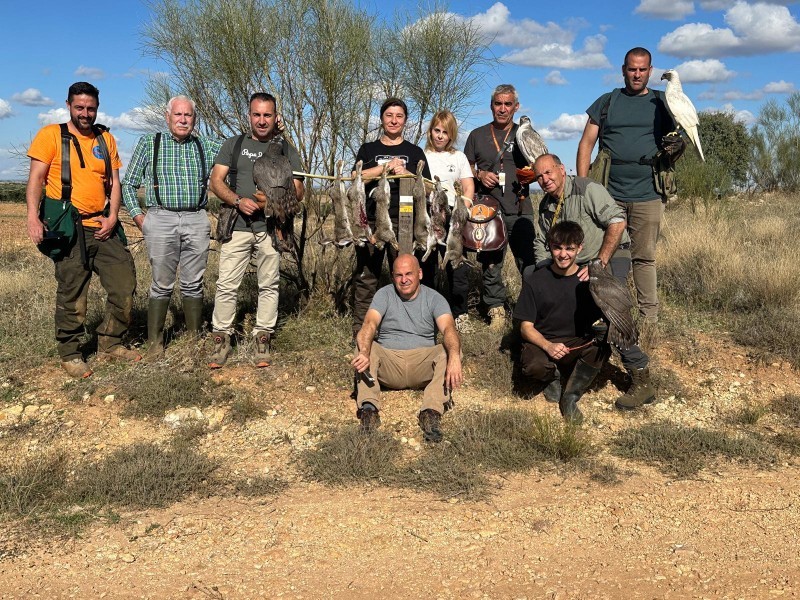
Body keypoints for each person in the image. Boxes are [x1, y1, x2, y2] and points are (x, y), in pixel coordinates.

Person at [25, 82, 140, 378]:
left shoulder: (105, 139)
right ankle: (71, 352)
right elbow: (36, 180)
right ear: (68, 105)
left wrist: (113, 216)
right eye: (80, 107)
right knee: (73, 291)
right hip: (69, 227)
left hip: (103, 223)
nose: (85, 113)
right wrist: (33, 218)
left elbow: (115, 184)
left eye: (90, 108)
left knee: (124, 285)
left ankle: (111, 342)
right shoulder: (51, 135)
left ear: (97, 108)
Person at [532, 153, 655, 410]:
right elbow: (543, 245)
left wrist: (599, 262)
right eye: (539, 176)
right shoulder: (546, 206)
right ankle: (563, 364)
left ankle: (640, 375)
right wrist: (542, 275)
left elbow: (618, 222)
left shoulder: (588, 189)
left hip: (608, 255)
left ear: (561, 170)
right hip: (575, 264)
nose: (544, 179)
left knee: (609, 313)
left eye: (548, 173)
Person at [577, 47, 680, 330]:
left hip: (648, 192)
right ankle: (612, 313)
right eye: (632, 69)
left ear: (650, 71)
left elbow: (675, 144)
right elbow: (586, 143)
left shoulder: (662, 102)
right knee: (607, 256)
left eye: (642, 69)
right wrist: (583, 186)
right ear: (623, 70)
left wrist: (676, 149)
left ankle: (649, 319)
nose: (637, 74)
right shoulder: (607, 101)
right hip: (609, 194)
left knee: (644, 257)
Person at [207, 92, 304, 368]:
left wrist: (272, 200)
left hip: (271, 227)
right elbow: (216, 181)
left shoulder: (286, 149)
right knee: (226, 284)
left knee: (269, 284)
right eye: (257, 114)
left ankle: (263, 337)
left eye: (267, 115)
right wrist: (238, 200)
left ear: (276, 117)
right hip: (237, 225)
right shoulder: (234, 145)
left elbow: (299, 191)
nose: (262, 121)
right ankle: (221, 338)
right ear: (249, 115)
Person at [122, 95, 221, 360]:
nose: (183, 120)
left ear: (195, 119)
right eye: (178, 115)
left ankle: (193, 340)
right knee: (161, 283)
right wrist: (139, 217)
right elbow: (128, 184)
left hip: (196, 219)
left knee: (193, 282)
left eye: (188, 115)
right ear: (168, 117)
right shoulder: (149, 143)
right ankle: (155, 342)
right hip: (160, 218)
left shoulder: (207, 145)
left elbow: (237, 152)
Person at [351, 254, 463, 442]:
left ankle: (431, 412)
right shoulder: (384, 294)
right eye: (398, 275)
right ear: (393, 276)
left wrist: (454, 358)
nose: (404, 280)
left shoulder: (435, 298)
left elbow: (449, 329)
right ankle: (369, 409)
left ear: (419, 273)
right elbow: (369, 323)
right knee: (363, 344)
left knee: (452, 349)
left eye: (409, 274)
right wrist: (364, 352)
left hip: (422, 364)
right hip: (390, 362)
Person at [351, 98, 432, 336]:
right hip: (372, 221)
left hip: (405, 222)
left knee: (405, 276)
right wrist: (382, 169)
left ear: (405, 121)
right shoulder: (369, 149)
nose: (394, 120)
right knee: (367, 276)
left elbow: (428, 188)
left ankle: (406, 329)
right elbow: (356, 177)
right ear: (382, 119)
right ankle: (363, 331)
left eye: (399, 116)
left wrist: (407, 173)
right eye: (389, 115)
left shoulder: (414, 152)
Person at [514, 221, 610, 423]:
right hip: (544, 342)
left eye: (569, 248)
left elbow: (604, 318)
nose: (563, 254)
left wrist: (603, 328)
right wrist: (548, 346)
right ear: (550, 246)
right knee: (533, 365)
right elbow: (525, 327)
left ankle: (571, 396)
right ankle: (552, 377)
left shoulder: (589, 280)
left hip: (577, 343)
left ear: (580, 248)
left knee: (602, 347)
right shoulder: (535, 279)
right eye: (557, 248)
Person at [464, 84, 535, 330]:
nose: (502, 109)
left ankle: (529, 311)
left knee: (529, 263)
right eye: (498, 104)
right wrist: (481, 174)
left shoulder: (525, 134)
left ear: (516, 107)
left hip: (520, 206)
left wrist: (530, 175)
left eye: (507, 104)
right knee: (491, 263)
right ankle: (496, 310)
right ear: (491, 105)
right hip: (488, 209)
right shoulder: (477, 135)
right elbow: (466, 169)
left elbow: (540, 163)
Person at [423, 110, 475, 333]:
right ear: (430, 131)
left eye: (445, 132)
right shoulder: (422, 155)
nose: (440, 136)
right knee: (428, 262)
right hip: (430, 212)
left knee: (456, 264)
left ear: (452, 134)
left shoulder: (459, 157)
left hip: (454, 214)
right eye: (437, 131)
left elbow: (467, 186)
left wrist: (465, 207)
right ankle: (427, 312)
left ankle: (460, 313)